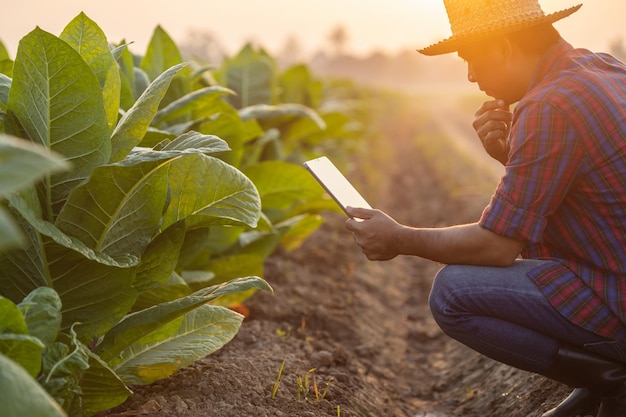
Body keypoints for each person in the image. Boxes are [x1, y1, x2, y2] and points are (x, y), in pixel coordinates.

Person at [344, 1, 626, 416]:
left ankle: (611, 378)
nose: (472, 75)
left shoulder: (548, 105)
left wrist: (398, 237)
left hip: (615, 295)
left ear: (506, 46)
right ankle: (599, 382)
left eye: (472, 59)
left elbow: (496, 246)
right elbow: (581, 196)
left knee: (454, 293)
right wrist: (509, 156)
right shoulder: (604, 68)